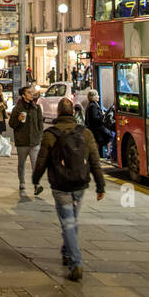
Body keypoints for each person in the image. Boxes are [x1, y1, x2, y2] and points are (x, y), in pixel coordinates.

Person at [32, 97, 105, 281]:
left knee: (68, 222)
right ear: (73, 112)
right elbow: (95, 160)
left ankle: (76, 262)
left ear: (58, 113)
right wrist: (100, 185)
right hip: (80, 183)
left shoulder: (51, 134)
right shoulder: (85, 133)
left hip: (60, 184)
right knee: (72, 220)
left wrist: (35, 179)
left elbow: (41, 160)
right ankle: (66, 251)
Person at [9, 83, 44, 198]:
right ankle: (22, 183)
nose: (31, 94)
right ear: (23, 95)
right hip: (22, 141)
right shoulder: (17, 108)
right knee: (21, 164)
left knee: (35, 164)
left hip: (34, 141)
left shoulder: (36, 107)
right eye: (29, 93)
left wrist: (39, 137)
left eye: (31, 92)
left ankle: (36, 184)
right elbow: (12, 124)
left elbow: (40, 124)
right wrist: (18, 119)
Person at [84, 90, 111, 157]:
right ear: (93, 97)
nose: (98, 96)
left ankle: (105, 153)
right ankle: (108, 153)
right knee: (110, 135)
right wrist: (102, 116)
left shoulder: (91, 105)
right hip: (96, 129)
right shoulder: (93, 106)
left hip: (93, 128)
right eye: (97, 95)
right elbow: (95, 118)